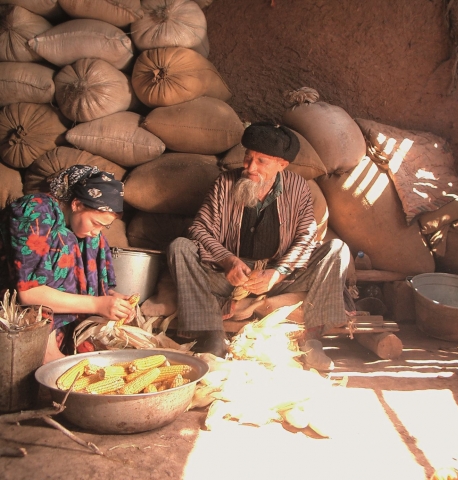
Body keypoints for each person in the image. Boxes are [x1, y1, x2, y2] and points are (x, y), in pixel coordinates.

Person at [167, 122, 355, 370]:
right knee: (180, 247)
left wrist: (277, 274)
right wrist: (227, 260)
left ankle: (310, 339)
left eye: (261, 161)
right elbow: (199, 229)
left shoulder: (297, 187)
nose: (250, 167)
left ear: (282, 164)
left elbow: (307, 235)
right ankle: (211, 334)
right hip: (230, 278)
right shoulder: (225, 183)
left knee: (338, 250)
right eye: (248, 158)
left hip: (280, 278)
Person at [0, 165, 135, 363]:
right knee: (66, 239)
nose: (97, 230)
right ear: (77, 204)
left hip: (53, 308)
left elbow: (79, 277)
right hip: (13, 302)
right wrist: (98, 304)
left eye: (104, 226)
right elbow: (30, 293)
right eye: (96, 223)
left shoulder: (81, 231)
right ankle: (46, 350)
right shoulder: (34, 210)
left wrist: (113, 300)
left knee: (93, 240)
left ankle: (72, 339)